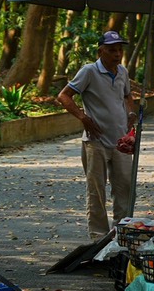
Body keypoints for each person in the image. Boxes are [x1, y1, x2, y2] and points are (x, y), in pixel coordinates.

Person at [58, 30, 142, 240]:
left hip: (121, 141)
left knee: (125, 188)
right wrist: (82, 117)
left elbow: (127, 96)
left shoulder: (122, 71)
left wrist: (131, 112)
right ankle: (98, 238)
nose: (117, 54)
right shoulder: (89, 71)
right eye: (112, 50)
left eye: (120, 50)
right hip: (95, 142)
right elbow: (64, 96)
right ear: (101, 51)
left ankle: (121, 233)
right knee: (97, 191)